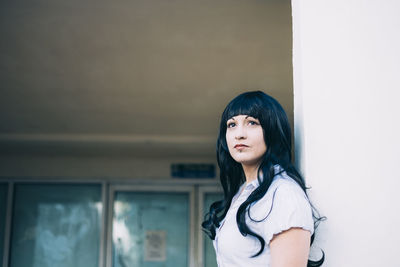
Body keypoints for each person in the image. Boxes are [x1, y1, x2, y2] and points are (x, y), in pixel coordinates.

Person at [202, 91, 325, 267]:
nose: (239, 134)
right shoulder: (243, 191)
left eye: (252, 122)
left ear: (273, 131)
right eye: (231, 125)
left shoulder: (283, 194)